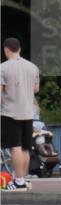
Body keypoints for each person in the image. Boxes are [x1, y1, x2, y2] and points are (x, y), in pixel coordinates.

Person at [1, 38, 40, 191]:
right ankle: (22, 180)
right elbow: (36, 89)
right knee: (25, 148)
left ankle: (17, 181)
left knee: (14, 147)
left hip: (10, 113)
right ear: (19, 49)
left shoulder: (3, 68)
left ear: (6, 50)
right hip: (28, 112)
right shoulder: (33, 67)